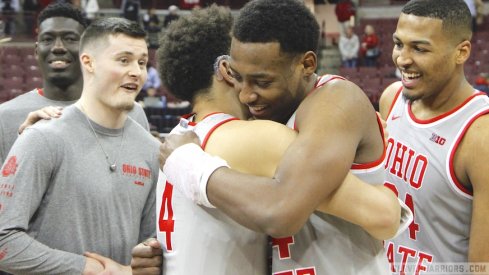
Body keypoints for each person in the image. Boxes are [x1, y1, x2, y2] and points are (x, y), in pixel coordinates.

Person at [137, 0, 414, 274]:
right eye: (239, 77)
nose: (246, 94)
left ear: (306, 64)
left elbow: (285, 209)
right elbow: (387, 213)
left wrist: (189, 165)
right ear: (225, 70)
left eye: (262, 81)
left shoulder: (333, 100)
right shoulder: (254, 128)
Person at [0, 17, 160, 274]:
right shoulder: (41, 138)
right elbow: (4, 240)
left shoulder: (151, 149)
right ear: (89, 62)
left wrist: (149, 259)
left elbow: (152, 242)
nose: (136, 72)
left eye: (142, 62)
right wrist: (89, 268)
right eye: (124, 60)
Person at [379, 0, 489, 272]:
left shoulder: (480, 135)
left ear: (461, 52)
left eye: (419, 48)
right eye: (398, 44)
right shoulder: (391, 99)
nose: (402, 59)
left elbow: (481, 266)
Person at [0, 2, 149, 164]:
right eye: (48, 39)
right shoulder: (5, 116)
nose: (58, 47)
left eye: (70, 39)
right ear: (36, 51)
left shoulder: (131, 113)